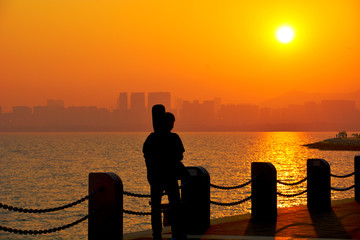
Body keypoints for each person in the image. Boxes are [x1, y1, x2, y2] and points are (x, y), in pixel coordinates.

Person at [143, 105, 187, 240]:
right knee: (174, 205)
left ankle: (157, 234)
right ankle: (176, 233)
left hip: (157, 177)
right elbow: (180, 155)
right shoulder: (173, 138)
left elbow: (148, 157)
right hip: (169, 176)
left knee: (157, 208)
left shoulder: (152, 138)